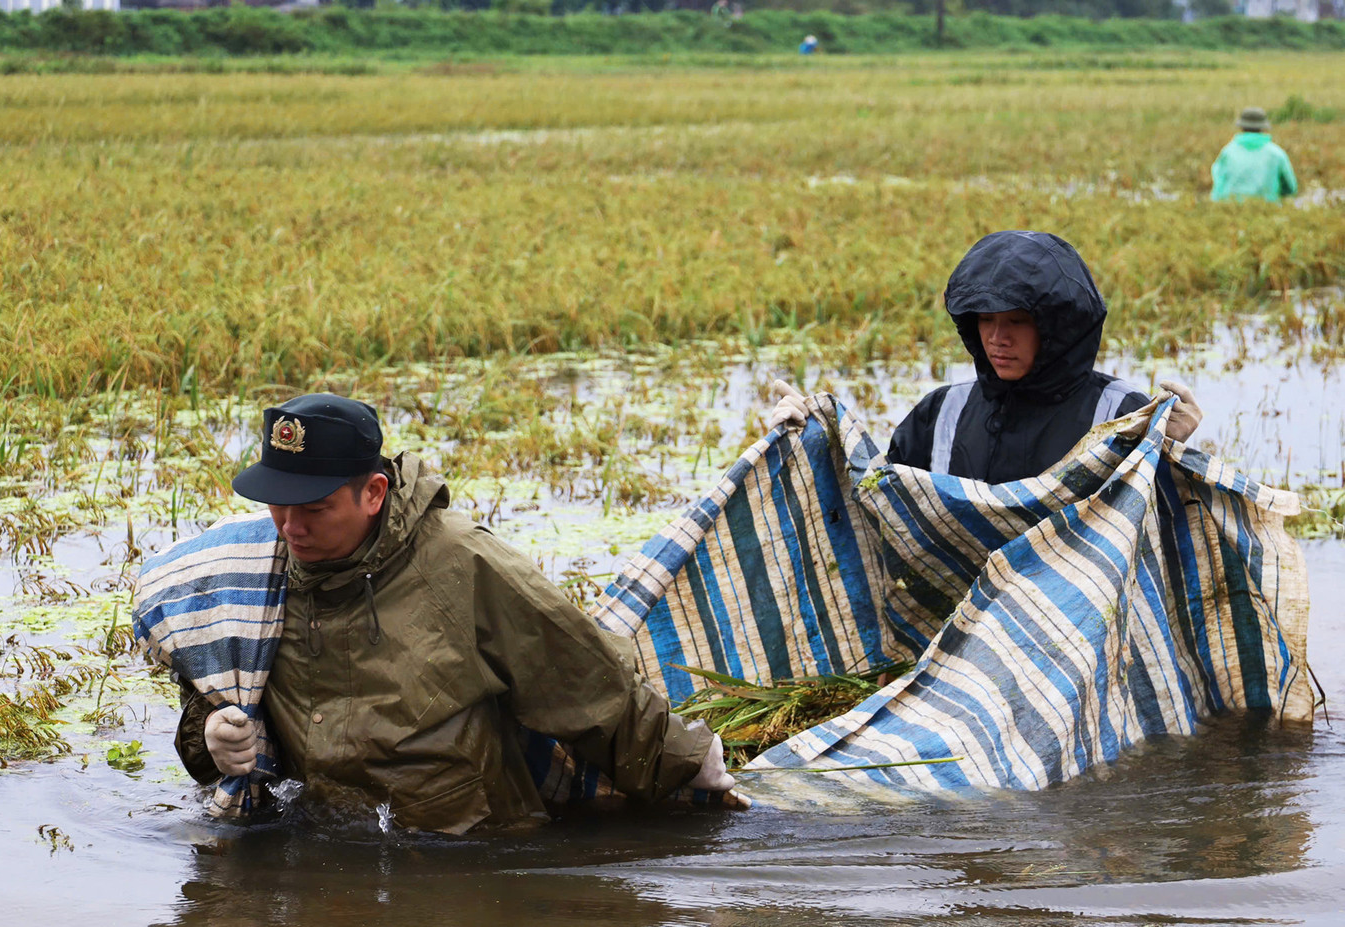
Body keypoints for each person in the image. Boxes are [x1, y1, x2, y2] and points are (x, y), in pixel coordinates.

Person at [174, 393, 734, 834]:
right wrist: (213, 739)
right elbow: (213, 694)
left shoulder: (463, 563)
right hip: (322, 841)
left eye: (316, 509)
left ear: (373, 492)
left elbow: (583, 680)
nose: (291, 528)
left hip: (470, 849)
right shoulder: (252, 572)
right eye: (278, 504)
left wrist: (689, 764)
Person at [768, 230, 1203, 484]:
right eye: (985, 319)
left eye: (1016, 321)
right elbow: (878, 509)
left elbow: (1164, 538)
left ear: (1057, 327)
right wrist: (808, 442)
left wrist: (1174, 456)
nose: (997, 338)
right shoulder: (940, 414)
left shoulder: (1121, 415)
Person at [1211, 107, 1298, 203]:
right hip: (1268, 210)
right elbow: (1291, 188)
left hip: (1230, 210)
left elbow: (1218, 187)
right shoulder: (1277, 154)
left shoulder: (1228, 152)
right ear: (1263, 127)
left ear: (1241, 127)